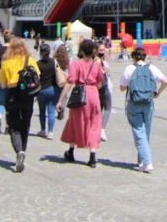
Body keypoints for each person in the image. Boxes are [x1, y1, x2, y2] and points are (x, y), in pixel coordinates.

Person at [119, 47, 167, 173]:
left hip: (134, 102)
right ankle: (141, 161)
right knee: (145, 132)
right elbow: (165, 81)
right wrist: (158, 93)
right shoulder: (151, 68)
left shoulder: (130, 69)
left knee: (138, 132)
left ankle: (147, 162)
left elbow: (122, 88)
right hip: (148, 102)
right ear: (145, 57)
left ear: (133, 57)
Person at [58, 38, 105, 167]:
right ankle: (92, 156)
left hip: (80, 94)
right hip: (93, 94)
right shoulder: (97, 65)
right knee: (94, 124)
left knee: (75, 121)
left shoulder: (76, 64)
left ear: (82, 51)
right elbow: (100, 84)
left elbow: (70, 82)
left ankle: (71, 151)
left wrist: (61, 100)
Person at [0, 36, 40, 173]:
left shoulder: (6, 62)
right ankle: (23, 150)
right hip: (27, 95)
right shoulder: (31, 60)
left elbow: (3, 84)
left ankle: (19, 151)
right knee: (25, 124)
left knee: (13, 126)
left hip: (12, 94)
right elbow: (37, 77)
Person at [36, 43, 59, 139]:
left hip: (41, 90)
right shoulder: (53, 62)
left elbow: (36, 78)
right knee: (51, 111)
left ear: (40, 52)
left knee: (42, 111)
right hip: (52, 89)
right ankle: (50, 132)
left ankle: (42, 130)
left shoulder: (38, 64)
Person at [95, 41, 112, 141]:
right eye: (101, 50)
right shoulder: (97, 60)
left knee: (100, 108)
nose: (103, 51)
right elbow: (99, 72)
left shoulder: (100, 59)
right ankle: (101, 129)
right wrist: (104, 71)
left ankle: (97, 128)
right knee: (108, 108)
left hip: (100, 86)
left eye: (103, 49)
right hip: (103, 86)